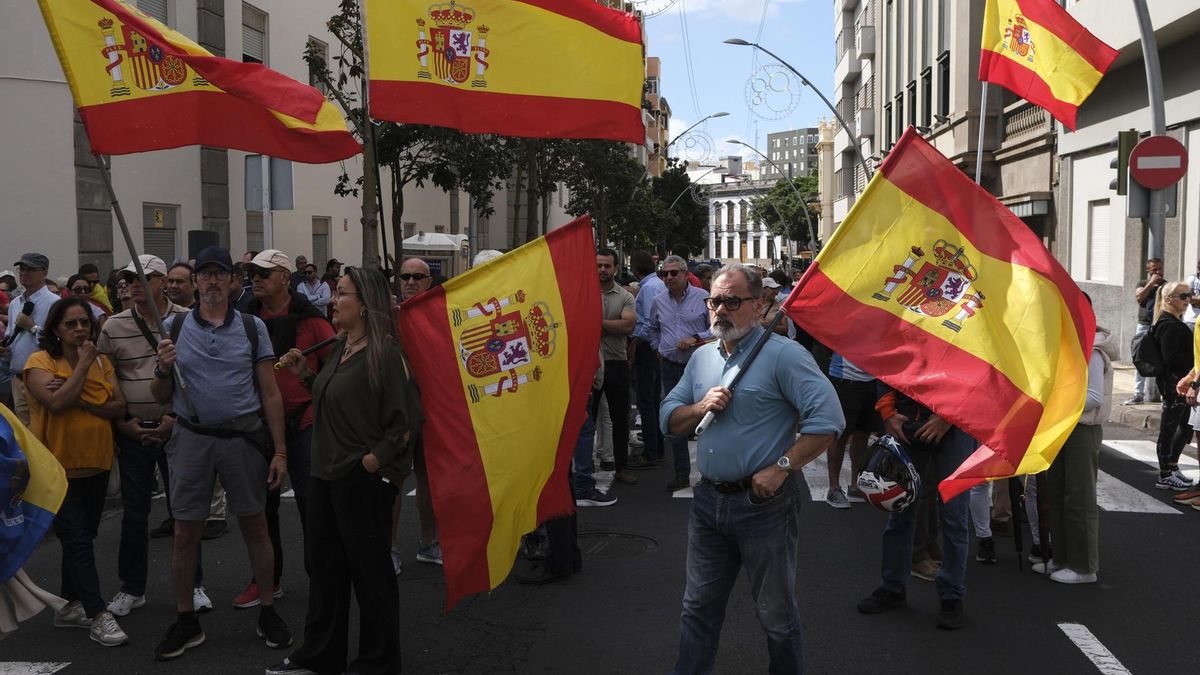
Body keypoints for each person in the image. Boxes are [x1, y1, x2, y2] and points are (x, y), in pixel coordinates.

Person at [660, 264, 844, 674]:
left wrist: (782, 467)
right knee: (697, 609)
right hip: (708, 502)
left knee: (776, 616)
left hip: (765, 505)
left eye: (732, 301)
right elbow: (668, 419)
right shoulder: (702, 358)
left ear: (760, 305)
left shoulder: (784, 356)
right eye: (714, 301)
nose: (720, 310)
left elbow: (829, 421)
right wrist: (699, 406)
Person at [268, 266, 420, 675]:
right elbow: (338, 399)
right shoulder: (339, 346)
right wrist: (305, 375)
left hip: (362, 480)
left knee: (371, 576)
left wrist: (373, 462)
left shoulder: (385, 354)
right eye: (335, 294)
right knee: (327, 572)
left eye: (343, 294)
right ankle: (320, 656)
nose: (334, 301)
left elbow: (405, 422)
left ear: (367, 305)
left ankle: (378, 662)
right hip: (325, 474)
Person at [150, 246, 291, 660]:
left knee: (256, 527)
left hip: (242, 439)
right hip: (192, 439)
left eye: (219, 274)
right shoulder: (174, 328)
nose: (212, 280)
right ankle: (186, 620)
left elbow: (270, 392)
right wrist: (162, 367)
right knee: (184, 532)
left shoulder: (252, 328)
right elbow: (160, 396)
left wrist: (280, 451)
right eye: (205, 274)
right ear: (195, 282)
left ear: (232, 281)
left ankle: (267, 609)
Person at [97, 256, 206, 618]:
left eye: (142, 277)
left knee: (185, 511)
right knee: (134, 512)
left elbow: (198, 372)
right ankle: (132, 587)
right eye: (127, 278)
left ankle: (194, 583)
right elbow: (105, 373)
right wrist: (123, 420)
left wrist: (174, 417)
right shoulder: (113, 326)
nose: (131, 284)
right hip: (133, 429)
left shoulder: (187, 319)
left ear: (162, 281)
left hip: (177, 427)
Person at [23, 297, 128, 646]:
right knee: (77, 539)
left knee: (82, 537)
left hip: (96, 463)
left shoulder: (102, 362)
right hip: (56, 470)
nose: (81, 329)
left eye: (85, 322)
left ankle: (69, 606)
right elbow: (54, 402)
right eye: (71, 324)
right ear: (55, 328)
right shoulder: (40, 362)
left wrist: (79, 395)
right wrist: (83, 368)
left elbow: (118, 406)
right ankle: (98, 613)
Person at [239, 250, 335, 608]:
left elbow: (334, 371)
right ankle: (267, 580)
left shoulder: (312, 320)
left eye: (264, 273)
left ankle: (322, 579)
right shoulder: (246, 319)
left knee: (312, 505)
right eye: (253, 274)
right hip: (259, 425)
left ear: (284, 277)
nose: (257, 279)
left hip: (306, 422)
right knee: (262, 509)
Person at [857, 385, 977, 630]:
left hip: (957, 424)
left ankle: (951, 595)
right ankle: (892, 586)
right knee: (901, 510)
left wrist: (947, 417)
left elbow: (980, 372)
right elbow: (887, 360)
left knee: (954, 515)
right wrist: (888, 412)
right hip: (908, 417)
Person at [1044, 294, 1116, 584]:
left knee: (1079, 498)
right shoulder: (1069, 346)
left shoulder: (1092, 351)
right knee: (1058, 493)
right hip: (1063, 426)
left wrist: (1054, 403)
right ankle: (1061, 558)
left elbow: (1093, 398)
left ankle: (1084, 567)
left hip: (1082, 429)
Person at [392, 256, 441, 568]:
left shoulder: (441, 315)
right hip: (394, 413)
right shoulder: (387, 317)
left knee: (427, 479)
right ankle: (389, 549)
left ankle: (429, 542)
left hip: (431, 411)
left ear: (429, 282)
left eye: (417, 277)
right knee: (393, 481)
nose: (410, 282)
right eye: (405, 276)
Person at [646, 255, 711, 492]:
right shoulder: (658, 300)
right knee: (677, 420)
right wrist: (658, 347)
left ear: (685, 274)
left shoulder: (703, 297)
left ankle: (710, 474)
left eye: (674, 273)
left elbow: (715, 328)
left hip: (700, 366)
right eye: (665, 274)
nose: (669, 277)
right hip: (671, 367)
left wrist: (695, 338)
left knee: (707, 420)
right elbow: (651, 328)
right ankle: (682, 474)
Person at [578, 248, 631, 502]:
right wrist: (612, 325)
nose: (602, 270)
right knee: (586, 421)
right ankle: (585, 470)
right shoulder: (583, 293)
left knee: (620, 417)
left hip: (616, 362)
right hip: (589, 364)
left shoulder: (624, 295)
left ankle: (620, 466)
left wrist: (595, 323)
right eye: (598, 265)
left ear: (616, 268)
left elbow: (628, 325)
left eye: (607, 266)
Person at [1, 253, 60, 425]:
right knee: (25, 433)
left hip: (44, 378)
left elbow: (60, 340)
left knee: (44, 429)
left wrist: (33, 327)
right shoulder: (15, 303)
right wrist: (5, 349)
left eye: (30, 269)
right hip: (18, 378)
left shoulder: (54, 302)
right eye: (22, 269)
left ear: (44, 272)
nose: (24, 273)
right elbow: (10, 336)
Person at [1150, 280, 1195, 491]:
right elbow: (1171, 357)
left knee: (1185, 428)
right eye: (1183, 296)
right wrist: (1196, 358)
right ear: (1169, 299)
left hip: (1181, 383)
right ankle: (1165, 474)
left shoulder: (1173, 322)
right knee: (1169, 429)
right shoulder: (1168, 325)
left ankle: (1173, 466)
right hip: (1174, 384)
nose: (1188, 300)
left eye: (1189, 295)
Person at [824, 353, 878, 509]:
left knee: (863, 434)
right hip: (844, 377)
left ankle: (856, 485)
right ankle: (833, 488)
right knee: (840, 435)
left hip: (874, 378)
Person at [629, 250, 667, 472]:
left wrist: (635, 344)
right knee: (651, 401)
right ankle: (657, 449)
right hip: (652, 347)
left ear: (635, 267)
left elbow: (649, 322)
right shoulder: (655, 285)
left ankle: (651, 452)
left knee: (647, 401)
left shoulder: (649, 288)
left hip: (647, 348)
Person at [1127, 258, 1164, 405]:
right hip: (1143, 325)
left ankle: (1163, 394)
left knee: (1161, 359)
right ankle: (1138, 394)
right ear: (1148, 271)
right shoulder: (1142, 284)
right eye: (1154, 269)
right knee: (1140, 358)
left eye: (1159, 269)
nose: (1157, 272)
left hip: (1159, 325)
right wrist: (1151, 283)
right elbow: (1139, 297)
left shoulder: (1165, 285)